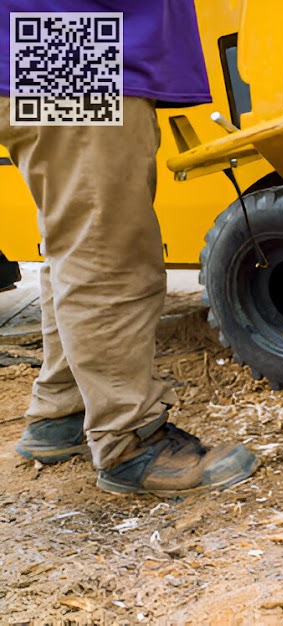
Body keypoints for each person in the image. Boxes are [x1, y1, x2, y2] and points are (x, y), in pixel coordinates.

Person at [0, 1, 258, 496]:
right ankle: (129, 444)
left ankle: (62, 412)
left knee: (82, 242)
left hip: (58, 39)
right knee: (108, 254)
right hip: (71, 43)